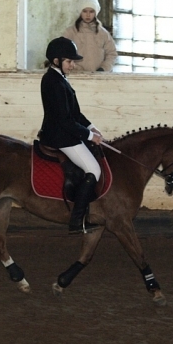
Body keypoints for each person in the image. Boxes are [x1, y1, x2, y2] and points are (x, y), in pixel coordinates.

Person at [38, 37, 104, 234]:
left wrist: (92, 127)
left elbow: (75, 113)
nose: (73, 65)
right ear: (57, 60)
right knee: (94, 169)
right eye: (70, 61)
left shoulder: (60, 79)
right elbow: (64, 120)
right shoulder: (53, 81)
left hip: (65, 132)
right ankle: (76, 221)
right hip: (60, 136)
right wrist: (89, 137)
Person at [62, 0, 117, 72]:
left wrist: (103, 68)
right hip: (75, 76)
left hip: (98, 78)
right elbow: (62, 54)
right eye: (84, 11)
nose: (88, 15)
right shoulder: (70, 33)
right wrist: (74, 67)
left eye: (91, 11)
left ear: (96, 12)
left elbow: (112, 53)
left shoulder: (103, 34)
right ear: (80, 12)